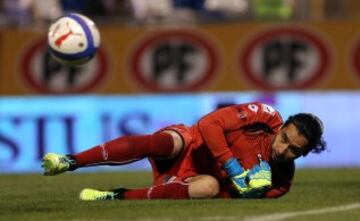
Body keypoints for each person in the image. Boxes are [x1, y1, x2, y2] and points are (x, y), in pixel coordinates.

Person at [42, 102, 326, 200]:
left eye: (293, 150)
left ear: (302, 156)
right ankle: (70, 160)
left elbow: (224, 200)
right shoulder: (265, 116)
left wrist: (246, 192)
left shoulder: (280, 183)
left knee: (209, 188)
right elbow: (208, 123)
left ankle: (115, 196)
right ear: (283, 125)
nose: (282, 148)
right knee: (169, 142)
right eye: (285, 138)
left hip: (190, 180)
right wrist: (233, 167)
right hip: (191, 145)